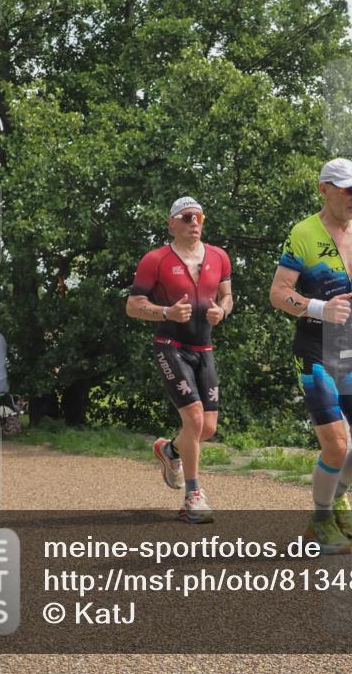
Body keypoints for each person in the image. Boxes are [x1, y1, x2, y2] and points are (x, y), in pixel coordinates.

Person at [269, 158, 352, 555]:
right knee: (335, 445)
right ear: (324, 189)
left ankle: (337, 496)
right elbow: (279, 293)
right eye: (347, 188)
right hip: (315, 352)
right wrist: (318, 308)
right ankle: (320, 518)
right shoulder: (303, 233)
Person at [126, 197, 233, 523]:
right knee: (195, 420)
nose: (194, 223)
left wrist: (221, 311)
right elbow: (133, 305)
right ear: (172, 222)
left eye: (199, 216)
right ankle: (193, 496)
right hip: (170, 346)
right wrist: (166, 312)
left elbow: (227, 296)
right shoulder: (155, 260)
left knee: (209, 428)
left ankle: (170, 450)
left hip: (204, 348)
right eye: (187, 217)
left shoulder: (219, 257)